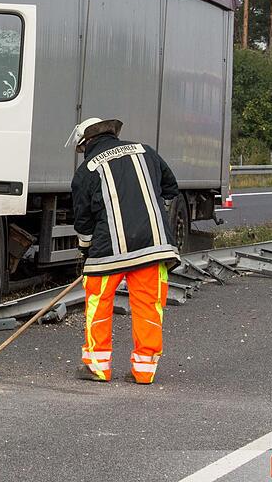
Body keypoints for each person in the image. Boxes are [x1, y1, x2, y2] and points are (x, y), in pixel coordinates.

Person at [69, 117, 180, 385]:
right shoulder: (146, 151)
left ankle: (97, 367)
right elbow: (171, 188)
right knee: (148, 306)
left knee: (98, 304)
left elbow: (83, 221)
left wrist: (86, 252)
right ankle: (144, 371)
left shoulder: (86, 171)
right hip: (153, 247)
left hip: (107, 251)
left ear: (86, 143)